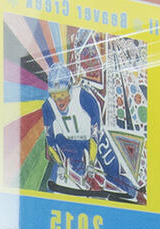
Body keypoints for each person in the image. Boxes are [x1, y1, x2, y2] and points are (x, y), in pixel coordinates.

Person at [38, 63, 131, 195]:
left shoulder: (84, 97)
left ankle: (131, 192)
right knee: (70, 167)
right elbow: (51, 142)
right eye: (55, 96)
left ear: (70, 89)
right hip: (70, 141)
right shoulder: (48, 106)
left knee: (112, 166)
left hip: (92, 139)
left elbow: (95, 133)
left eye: (62, 94)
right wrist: (59, 164)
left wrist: (92, 162)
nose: (59, 101)